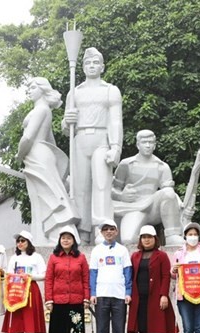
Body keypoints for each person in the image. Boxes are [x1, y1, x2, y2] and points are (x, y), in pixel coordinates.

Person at [62, 47, 123, 244]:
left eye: (95, 63)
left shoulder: (110, 91)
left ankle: (101, 229)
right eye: (87, 63)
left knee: (101, 185)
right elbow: (65, 128)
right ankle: (83, 230)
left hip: (101, 138)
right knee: (80, 187)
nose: (91, 66)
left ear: (102, 67)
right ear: (82, 67)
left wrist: (115, 147)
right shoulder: (75, 92)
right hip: (79, 139)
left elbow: (115, 121)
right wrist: (67, 121)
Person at [17, 77, 79, 245]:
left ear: (42, 89)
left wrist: (19, 155)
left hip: (36, 154)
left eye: (32, 87)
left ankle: (55, 235)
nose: (29, 91)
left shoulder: (41, 110)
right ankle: (44, 237)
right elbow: (51, 141)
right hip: (42, 154)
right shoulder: (45, 111)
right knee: (43, 196)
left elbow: (27, 137)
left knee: (48, 195)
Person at [112, 130, 183, 245]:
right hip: (133, 207)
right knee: (128, 240)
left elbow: (169, 191)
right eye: (144, 142)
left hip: (153, 207)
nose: (148, 145)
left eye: (151, 142)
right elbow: (112, 190)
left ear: (155, 145)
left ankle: (172, 235)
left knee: (168, 193)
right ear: (138, 144)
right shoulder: (126, 164)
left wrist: (178, 202)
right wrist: (121, 195)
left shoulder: (162, 166)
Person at [127, 225, 176, 333]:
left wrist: (164, 295)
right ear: (140, 240)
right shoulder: (135, 256)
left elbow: (166, 276)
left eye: (149, 237)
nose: (146, 240)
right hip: (139, 297)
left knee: (155, 328)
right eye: (144, 237)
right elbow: (131, 276)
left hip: (155, 296)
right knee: (143, 328)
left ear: (155, 239)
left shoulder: (161, 256)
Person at [89, 219, 132, 333]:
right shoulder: (96, 250)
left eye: (111, 229)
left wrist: (128, 292)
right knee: (102, 329)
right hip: (101, 295)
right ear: (101, 232)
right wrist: (92, 293)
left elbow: (127, 272)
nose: (108, 232)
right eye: (105, 229)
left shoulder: (123, 250)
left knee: (119, 329)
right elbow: (93, 273)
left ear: (116, 231)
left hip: (119, 295)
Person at [45, 225, 90, 333]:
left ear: (74, 240)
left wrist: (86, 298)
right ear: (59, 240)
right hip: (57, 301)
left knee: (75, 332)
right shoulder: (53, 258)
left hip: (76, 300)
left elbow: (85, 279)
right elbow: (49, 279)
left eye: (69, 238)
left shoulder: (81, 258)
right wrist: (49, 299)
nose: (66, 240)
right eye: (63, 238)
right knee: (58, 332)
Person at [3, 230, 46, 333]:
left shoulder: (37, 257)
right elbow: (8, 274)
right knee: (18, 326)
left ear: (29, 243)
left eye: (23, 241)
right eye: (18, 241)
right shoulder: (14, 258)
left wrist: (30, 276)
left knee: (30, 325)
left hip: (30, 291)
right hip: (16, 291)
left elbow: (44, 274)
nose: (20, 243)